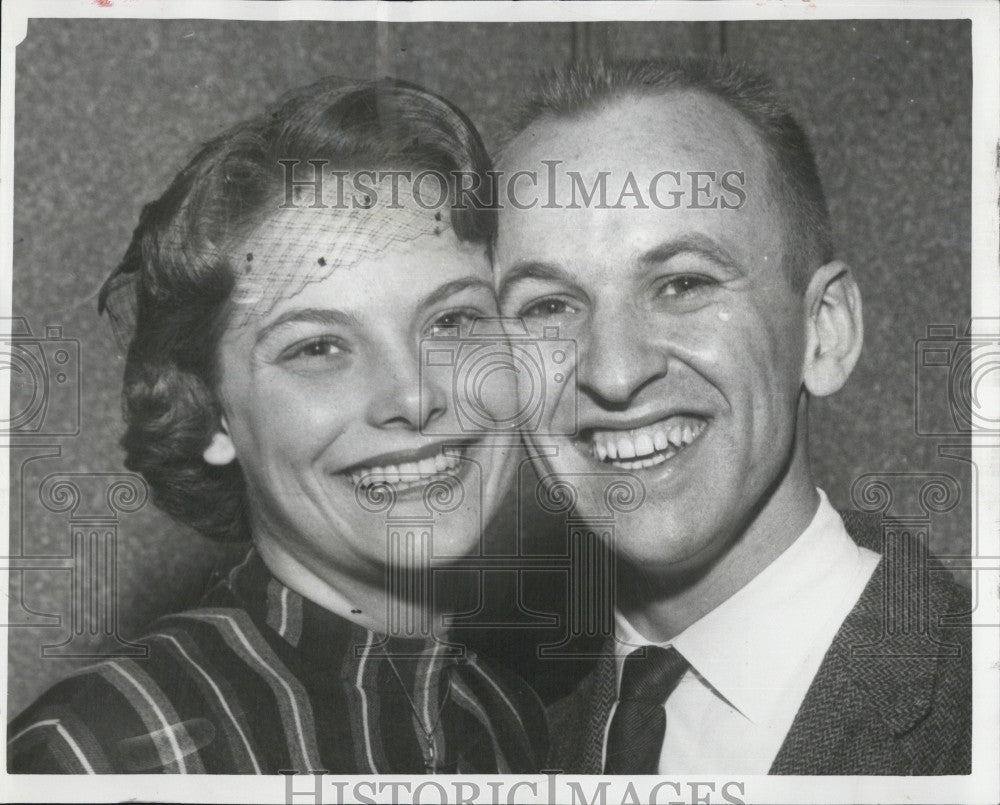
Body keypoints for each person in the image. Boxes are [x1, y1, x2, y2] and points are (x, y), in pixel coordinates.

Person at [8, 76, 547, 774]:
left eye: (453, 320)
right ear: (210, 414)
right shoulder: (103, 747)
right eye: (318, 348)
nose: (414, 396)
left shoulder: (508, 717)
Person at [493, 57, 970, 775]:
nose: (613, 372)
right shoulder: (504, 745)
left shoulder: (971, 707)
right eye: (548, 306)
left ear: (825, 331)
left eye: (682, 283)